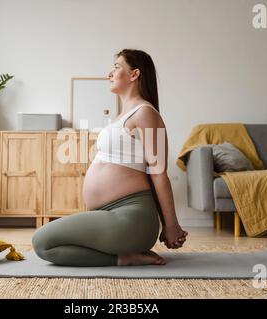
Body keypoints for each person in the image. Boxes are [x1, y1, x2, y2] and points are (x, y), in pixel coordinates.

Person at [32, 49, 188, 266]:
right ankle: (123, 257)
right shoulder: (123, 115)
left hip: (131, 218)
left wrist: (171, 225)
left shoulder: (146, 113)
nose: (110, 73)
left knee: (42, 242)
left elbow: (159, 172)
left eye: (116, 67)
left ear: (134, 74)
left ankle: (124, 258)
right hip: (110, 216)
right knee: (46, 244)